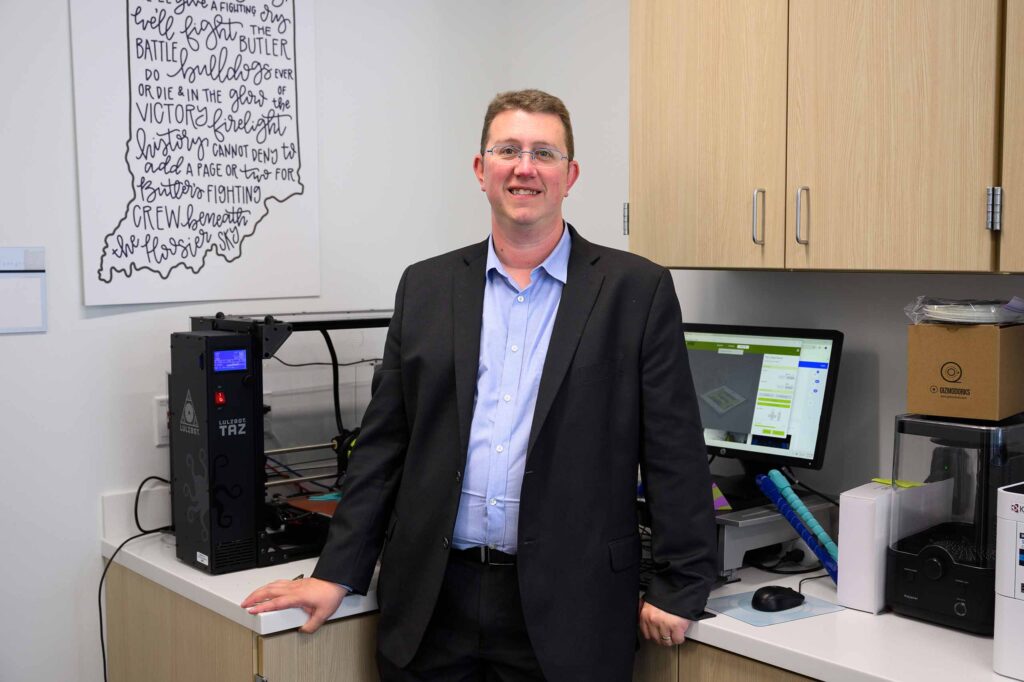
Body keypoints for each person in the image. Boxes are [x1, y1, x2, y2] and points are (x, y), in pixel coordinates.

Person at [242, 89, 717, 681]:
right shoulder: (426, 287)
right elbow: (385, 448)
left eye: (544, 153)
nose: (525, 167)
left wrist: (684, 581)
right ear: (481, 169)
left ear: (570, 175)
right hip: (433, 603)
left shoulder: (635, 291)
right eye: (508, 150)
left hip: (573, 607)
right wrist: (336, 572)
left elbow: (675, 450)